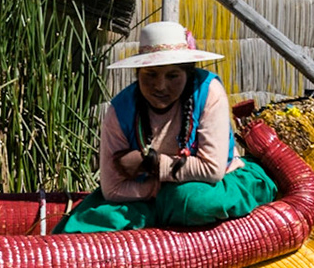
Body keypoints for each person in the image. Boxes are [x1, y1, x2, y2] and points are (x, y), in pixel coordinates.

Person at [58, 22, 277, 233]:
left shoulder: (208, 92)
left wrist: (150, 163)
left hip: (216, 183)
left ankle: (165, 209)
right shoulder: (120, 111)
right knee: (86, 223)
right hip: (148, 193)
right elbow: (113, 189)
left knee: (194, 202)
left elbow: (212, 170)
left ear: (188, 74)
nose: (160, 86)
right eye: (150, 75)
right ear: (137, 74)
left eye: (173, 76)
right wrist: (159, 191)